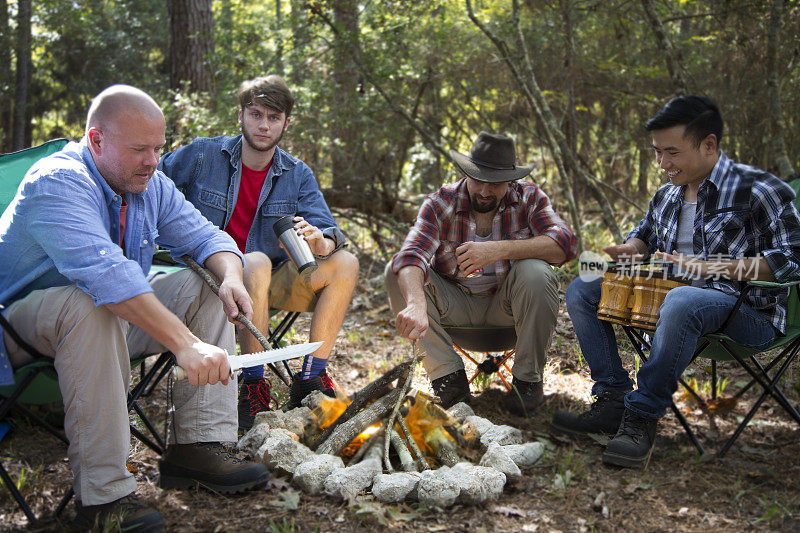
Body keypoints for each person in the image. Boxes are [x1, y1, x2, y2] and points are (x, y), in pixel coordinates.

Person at [0, 86, 269, 531]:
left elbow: (208, 238)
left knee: (205, 285)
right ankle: (104, 500)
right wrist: (185, 344)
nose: (153, 161)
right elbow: (107, 277)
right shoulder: (58, 182)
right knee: (92, 301)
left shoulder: (149, 184)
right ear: (96, 140)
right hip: (18, 332)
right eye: (140, 149)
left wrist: (232, 277)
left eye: (159, 149)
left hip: (103, 326)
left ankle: (200, 446)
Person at [552, 95, 800, 468]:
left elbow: (792, 263)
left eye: (672, 152)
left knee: (683, 300)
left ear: (709, 145)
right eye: (656, 153)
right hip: (670, 299)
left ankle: (642, 418)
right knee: (583, 287)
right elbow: (645, 238)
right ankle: (613, 398)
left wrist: (711, 267)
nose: (663, 164)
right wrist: (629, 249)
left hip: (748, 313)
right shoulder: (667, 195)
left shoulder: (762, 191)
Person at [159, 75, 358, 428]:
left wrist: (318, 241)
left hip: (266, 287)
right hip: (207, 277)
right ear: (241, 116)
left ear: (286, 123)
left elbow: (330, 234)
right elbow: (149, 181)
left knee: (346, 262)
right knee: (255, 260)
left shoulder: (297, 174)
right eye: (256, 114)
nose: (263, 125)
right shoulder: (205, 154)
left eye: (273, 117)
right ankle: (253, 384)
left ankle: (312, 378)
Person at [385, 131, 577, 416]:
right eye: (478, 180)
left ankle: (527, 382)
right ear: (465, 173)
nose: (485, 191)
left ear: (511, 180)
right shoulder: (441, 202)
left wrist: (500, 250)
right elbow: (412, 255)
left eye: (496, 183)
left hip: (509, 314)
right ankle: (448, 380)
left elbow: (565, 244)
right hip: (456, 311)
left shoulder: (529, 197)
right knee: (397, 271)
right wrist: (415, 302)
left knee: (536, 270)